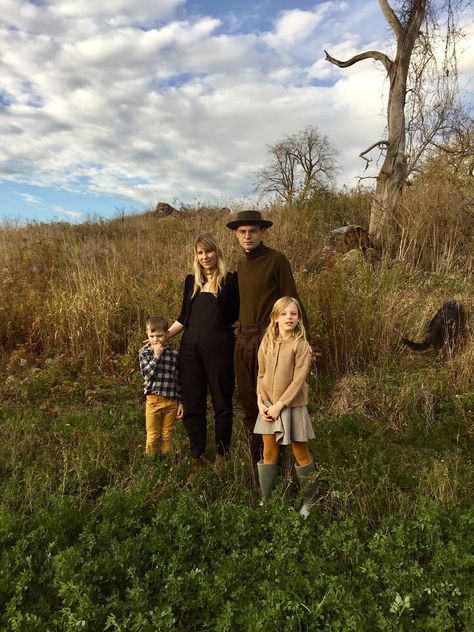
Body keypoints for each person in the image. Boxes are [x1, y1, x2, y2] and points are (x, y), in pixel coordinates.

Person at [226, 209, 308, 463]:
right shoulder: (240, 264)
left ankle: (278, 459)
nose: (247, 236)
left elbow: (291, 300)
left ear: (262, 232)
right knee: (249, 399)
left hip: (270, 338)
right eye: (242, 232)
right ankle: (258, 460)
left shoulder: (277, 260)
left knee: (275, 399)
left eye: (252, 231)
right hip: (243, 338)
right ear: (237, 235)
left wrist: (301, 340)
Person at [166, 233, 239, 467]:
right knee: (193, 403)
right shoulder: (191, 282)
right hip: (190, 352)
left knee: (222, 402)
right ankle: (197, 455)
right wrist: (163, 337)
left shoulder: (230, 280)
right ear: (195, 256)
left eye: (209, 251)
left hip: (220, 349)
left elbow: (236, 317)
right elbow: (182, 319)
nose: (205, 257)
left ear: (217, 252)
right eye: (200, 252)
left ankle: (221, 455)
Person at [253, 297, 317, 518]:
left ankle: (310, 502)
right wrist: (261, 402)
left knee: (300, 451)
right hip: (268, 408)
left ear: (298, 318)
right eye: (284, 314)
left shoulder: (301, 346)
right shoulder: (267, 342)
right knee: (269, 452)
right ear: (275, 318)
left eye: (293, 313)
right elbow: (260, 374)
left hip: (291, 407)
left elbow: (298, 381)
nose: (288, 317)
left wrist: (280, 405)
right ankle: (266, 501)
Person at [139, 315, 184, 457]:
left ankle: (166, 463)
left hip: (171, 401)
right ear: (147, 334)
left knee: (166, 435)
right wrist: (156, 356)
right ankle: (151, 464)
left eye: (159, 335)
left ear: (167, 334)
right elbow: (147, 375)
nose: (155, 339)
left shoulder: (174, 355)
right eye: (152, 336)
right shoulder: (144, 354)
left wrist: (181, 402)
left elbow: (178, 379)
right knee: (153, 436)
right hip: (154, 401)